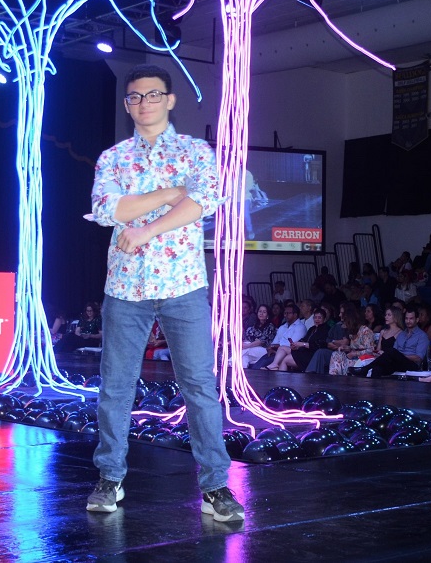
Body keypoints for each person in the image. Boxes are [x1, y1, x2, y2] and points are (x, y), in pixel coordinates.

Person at [87, 64, 242, 521]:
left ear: (170, 100)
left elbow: (204, 201)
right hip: (125, 287)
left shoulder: (196, 151)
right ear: (127, 104)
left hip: (183, 285)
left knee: (200, 387)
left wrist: (145, 227)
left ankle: (216, 487)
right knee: (116, 388)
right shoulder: (113, 157)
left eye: (153, 95)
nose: (144, 103)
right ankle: (110, 478)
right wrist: (173, 191)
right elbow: (108, 209)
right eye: (135, 96)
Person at [351, 304, 429, 377]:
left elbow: (419, 358)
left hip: (412, 365)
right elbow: (394, 352)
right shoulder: (402, 334)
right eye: (406, 318)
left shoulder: (422, 336)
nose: (408, 321)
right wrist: (396, 356)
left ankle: (365, 369)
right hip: (398, 362)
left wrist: (400, 356)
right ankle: (373, 386)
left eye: (411, 319)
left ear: (417, 320)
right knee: (377, 369)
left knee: (392, 351)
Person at [266, 306, 330, 371]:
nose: (317, 320)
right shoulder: (312, 329)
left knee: (285, 360)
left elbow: (319, 344)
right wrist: (295, 345)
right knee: (282, 348)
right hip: (303, 352)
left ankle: (279, 374)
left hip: (312, 356)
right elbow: (304, 339)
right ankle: (274, 364)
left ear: (324, 319)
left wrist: (303, 344)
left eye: (319, 318)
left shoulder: (326, 329)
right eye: (315, 317)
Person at [241, 304, 275, 368]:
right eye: (260, 311)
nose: (261, 313)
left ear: (268, 315)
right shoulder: (253, 326)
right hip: (252, 350)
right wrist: (254, 342)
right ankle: (244, 373)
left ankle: (230, 361)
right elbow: (247, 338)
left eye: (264, 312)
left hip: (264, 350)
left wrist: (248, 345)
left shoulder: (270, 327)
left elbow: (261, 342)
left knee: (246, 350)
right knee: (244, 358)